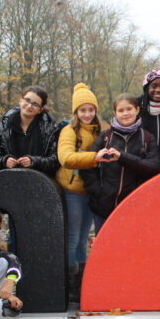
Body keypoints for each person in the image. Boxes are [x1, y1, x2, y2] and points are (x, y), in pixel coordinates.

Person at [56, 83, 104, 301]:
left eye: (91, 109)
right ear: (76, 111)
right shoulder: (69, 131)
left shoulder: (98, 131)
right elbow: (65, 158)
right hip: (73, 191)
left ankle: (81, 282)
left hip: (90, 191)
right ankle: (68, 282)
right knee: (73, 237)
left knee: (84, 238)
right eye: (83, 110)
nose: (87, 114)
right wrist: (94, 158)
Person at [83, 93, 160, 223]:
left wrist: (122, 156)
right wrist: (98, 192)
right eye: (121, 110)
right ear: (115, 113)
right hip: (103, 208)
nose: (125, 113)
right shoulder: (105, 137)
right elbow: (88, 165)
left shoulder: (147, 137)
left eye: (129, 109)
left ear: (137, 110)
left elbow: (154, 167)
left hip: (134, 207)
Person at [0, 86, 60, 179]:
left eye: (35, 104)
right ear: (20, 100)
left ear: (40, 110)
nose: (29, 106)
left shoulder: (50, 130)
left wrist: (34, 161)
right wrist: (5, 161)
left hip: (39, 180)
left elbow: (54, 161)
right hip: (9, 180)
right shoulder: (3, 126)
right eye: (27, 100)